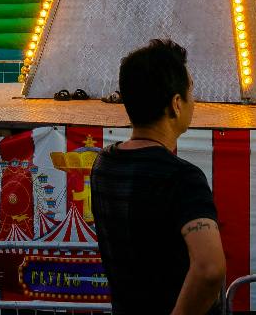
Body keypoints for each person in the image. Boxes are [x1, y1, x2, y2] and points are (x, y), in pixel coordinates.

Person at [90, 39, 226, 315]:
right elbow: (210, 269)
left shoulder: (103, 164)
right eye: (190, 91)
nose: (194, 101)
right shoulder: (182, 178)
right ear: (176, 104)